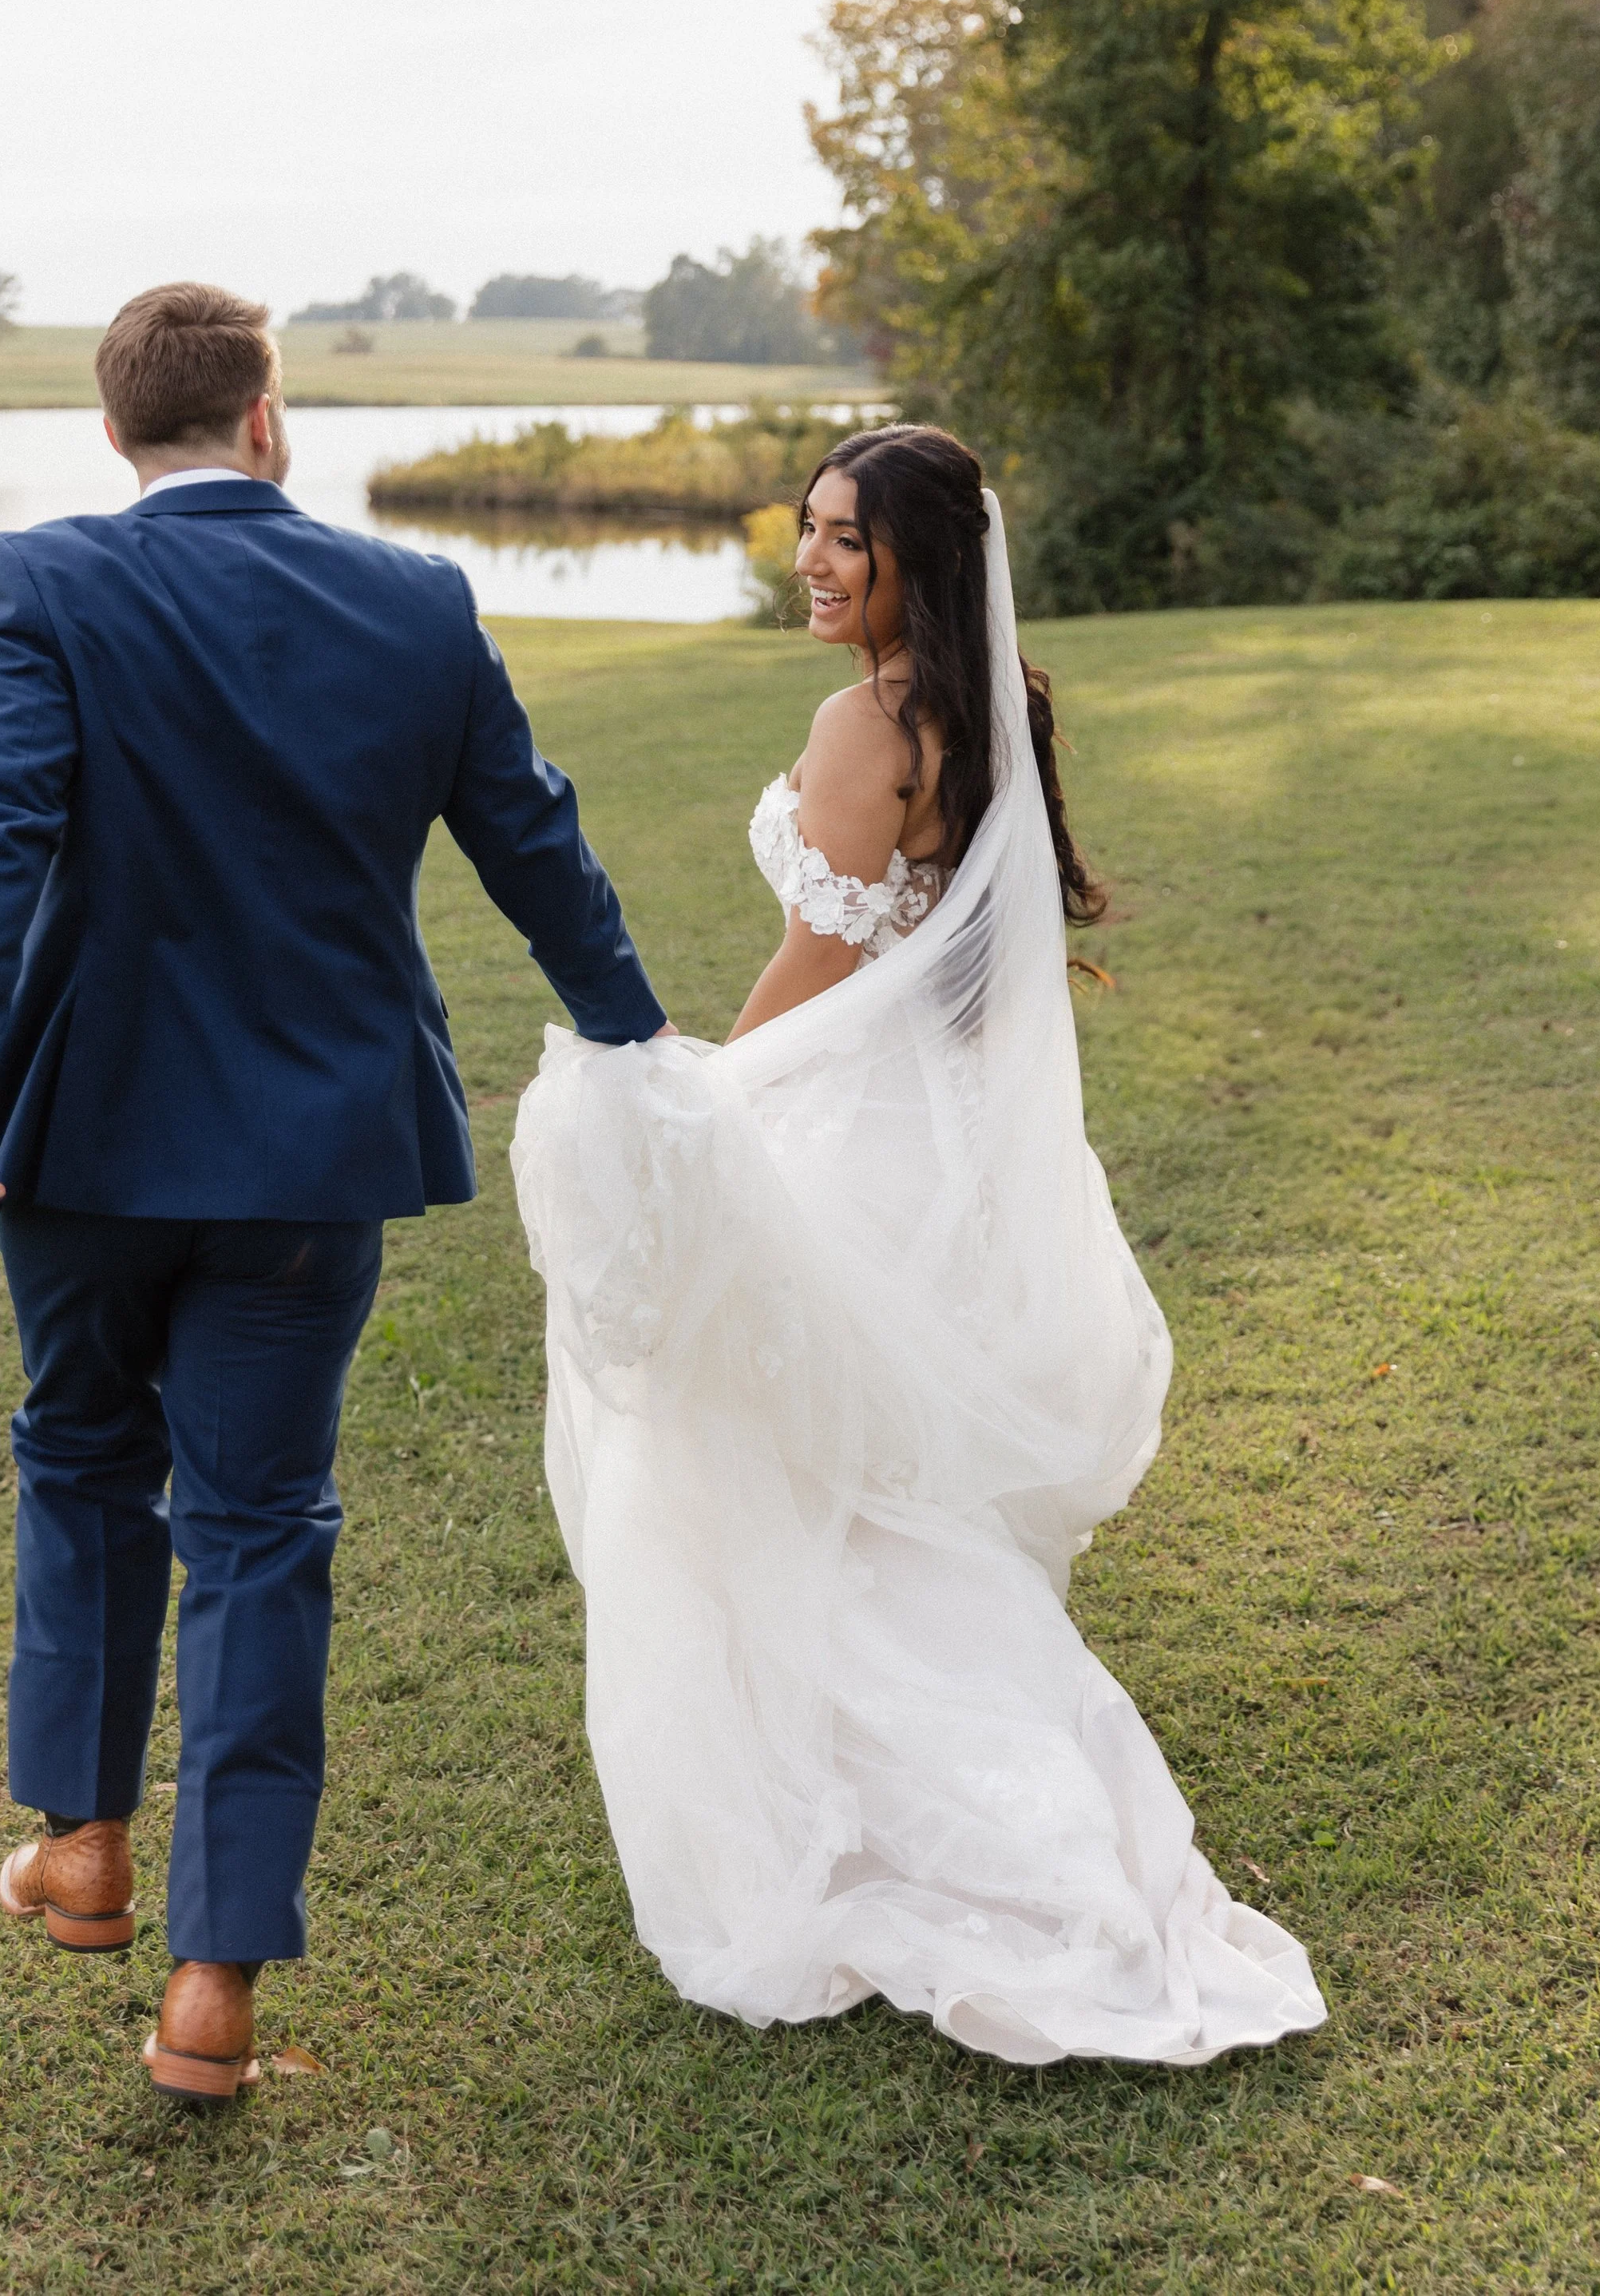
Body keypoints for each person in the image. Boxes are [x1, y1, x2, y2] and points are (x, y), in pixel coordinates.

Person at [0, 280, 663, 2104]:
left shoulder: (37, 580)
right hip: (314, 1156)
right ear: (264, 416)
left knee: (79, 1451)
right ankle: (211, 1988)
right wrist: (634, 1036)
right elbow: (529, 835)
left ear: (113, 431)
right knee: (259, 1530)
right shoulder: (414, 600)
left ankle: (79, 1844)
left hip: (76, 1146)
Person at [512, 424, 1325, 2064]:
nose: (808, 561)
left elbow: (822, 949)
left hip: (839, 1126)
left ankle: (927, 1814)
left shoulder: (862, 718)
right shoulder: (993, 698)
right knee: (873, 1478)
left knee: (781, 1466)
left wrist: (707, 1098)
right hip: (930, 1133)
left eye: (844, 543)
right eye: (805, 530)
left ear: (916, 561)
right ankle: (912, 1794)